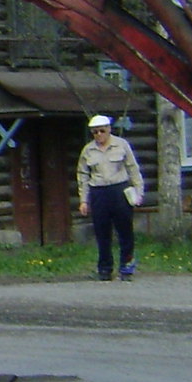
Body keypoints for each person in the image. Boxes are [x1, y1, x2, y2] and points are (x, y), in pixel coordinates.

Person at [77, 113, 145, 282]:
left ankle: (126, 266)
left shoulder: (121, 145)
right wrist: (84, 200)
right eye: (95, 132)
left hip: (119, 190)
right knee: (102, 232)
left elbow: (133, 169)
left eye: (101, 131)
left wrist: (138, 192)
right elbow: (83, 175)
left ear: (108, 129)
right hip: (98, 191)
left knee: (125, 230)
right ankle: (105, 268)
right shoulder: (88, 150)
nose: (99, 135)